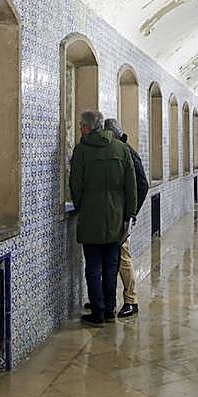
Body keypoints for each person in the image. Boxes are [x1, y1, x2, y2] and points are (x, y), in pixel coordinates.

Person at [69, 109, 137, 327]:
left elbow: (75, 186)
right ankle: (109, 310)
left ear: (88, 127)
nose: (80, 129)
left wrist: (82, 206)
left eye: (81, 126)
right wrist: (129, 214)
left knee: (93, 267)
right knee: (111, 266)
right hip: (116, 217)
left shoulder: (81, 151)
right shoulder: (121, 148)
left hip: (91, 217)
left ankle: (97, 313)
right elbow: (131, 186)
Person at [103, 118, 148, 318]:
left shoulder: (126, 152)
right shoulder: (120, 150)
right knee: (113, 258)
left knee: (123, 258)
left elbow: (142, 184)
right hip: (117, 215)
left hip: (122, 217)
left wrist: (131, 213)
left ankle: (131, 301)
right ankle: (108, 300)